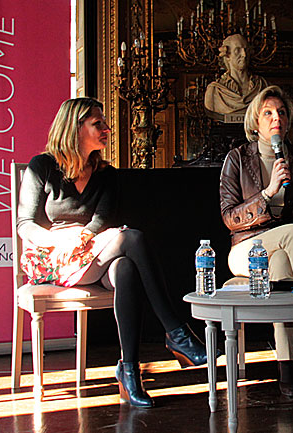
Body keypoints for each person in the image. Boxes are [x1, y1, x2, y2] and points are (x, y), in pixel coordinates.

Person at [17, 97, 211, 408]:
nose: (107, 129)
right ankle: (177, 333)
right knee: (131, 238)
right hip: (52, 256)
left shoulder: (106, 174)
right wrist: (60, 242)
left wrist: (85, 237)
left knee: (126, 269)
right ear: (75, 127)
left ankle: (129, 371)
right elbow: (25, 224)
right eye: (98, 124)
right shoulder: (42, 167)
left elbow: (101, 220)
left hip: (90, 251)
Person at [219, 85, 293, 396]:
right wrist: (267, 193)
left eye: (281, 112)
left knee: (281, 264)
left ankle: (287, 369)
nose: (276, 118)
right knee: (292, 233)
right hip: (245, 249)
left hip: (283, 248)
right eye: (267, 113)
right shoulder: (237, 158)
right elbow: (229, 217)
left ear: (289, 121)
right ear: (255, 122)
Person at [204, 34, 269, 116]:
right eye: (237, 50)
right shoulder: (215, 91)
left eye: (246, 50)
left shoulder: (262, 86)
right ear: (227, 55)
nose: (244, 55)